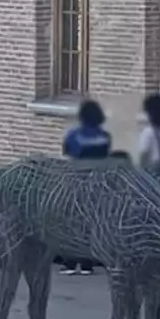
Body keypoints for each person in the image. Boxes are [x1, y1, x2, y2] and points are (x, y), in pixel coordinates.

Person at [60, 99, 111, 274]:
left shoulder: (75, 135)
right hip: (96, 182)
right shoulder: (104, 136)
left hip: (77, 181)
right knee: (90, 223)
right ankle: (87, 263)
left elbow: (67, 151)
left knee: (72, 222)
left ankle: (70, 263)